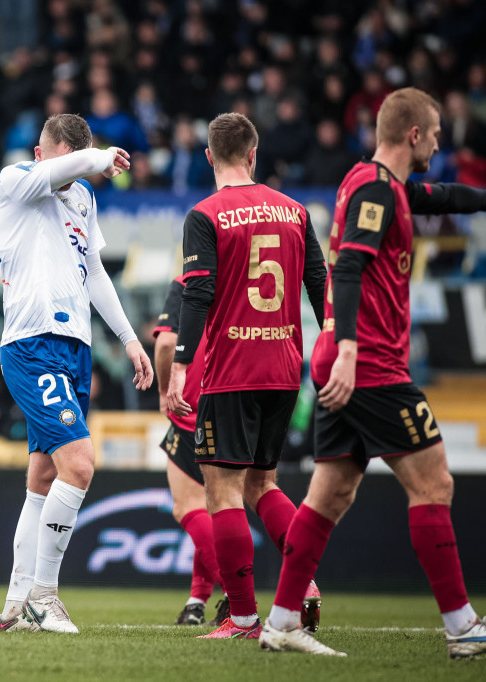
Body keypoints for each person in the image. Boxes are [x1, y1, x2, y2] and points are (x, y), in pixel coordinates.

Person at [261, 87, 486, 658]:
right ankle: (462, 627)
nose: (440, 141)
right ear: (414, 135)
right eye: (434, 133)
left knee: (330, 494)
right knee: (434, 483)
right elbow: (353, 265)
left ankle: (283, 621)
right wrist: (353, 350)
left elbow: (442, 197)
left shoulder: (381, 186)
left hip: (347, 359)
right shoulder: (376, 190)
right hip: (368, 362)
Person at [166, 112, 327, 640]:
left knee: (224, 493)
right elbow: (321, 283)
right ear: (254, 155)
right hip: (284, 370)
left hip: (229, 371)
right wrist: (333, 343)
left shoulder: (204, 215)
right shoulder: (296, 211)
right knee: (265, 483)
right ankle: (303, 584)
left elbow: (198, 295)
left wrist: (181, 368)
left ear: (209, 157)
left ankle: (241, 618)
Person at [0, 114, 153, 633]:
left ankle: (16, 605)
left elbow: (96, 272)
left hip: (76, 347)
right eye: (62, 160)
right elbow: (71, 166)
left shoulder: (83, 196)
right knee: (80, 465)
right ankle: (44, 595)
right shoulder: (15, 180)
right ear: (44, 154)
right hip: (32, 342)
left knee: (43, 477)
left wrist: (130, 340)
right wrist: (104, 157)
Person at [153, 276, 224, 626]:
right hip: (238, 406)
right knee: (216, 512)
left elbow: (167, 344)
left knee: (189, 508)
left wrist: (165, 390)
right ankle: (198, 600)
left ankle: (241, 595)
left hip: (191, 410)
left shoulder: (187, 281)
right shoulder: (240, 275)